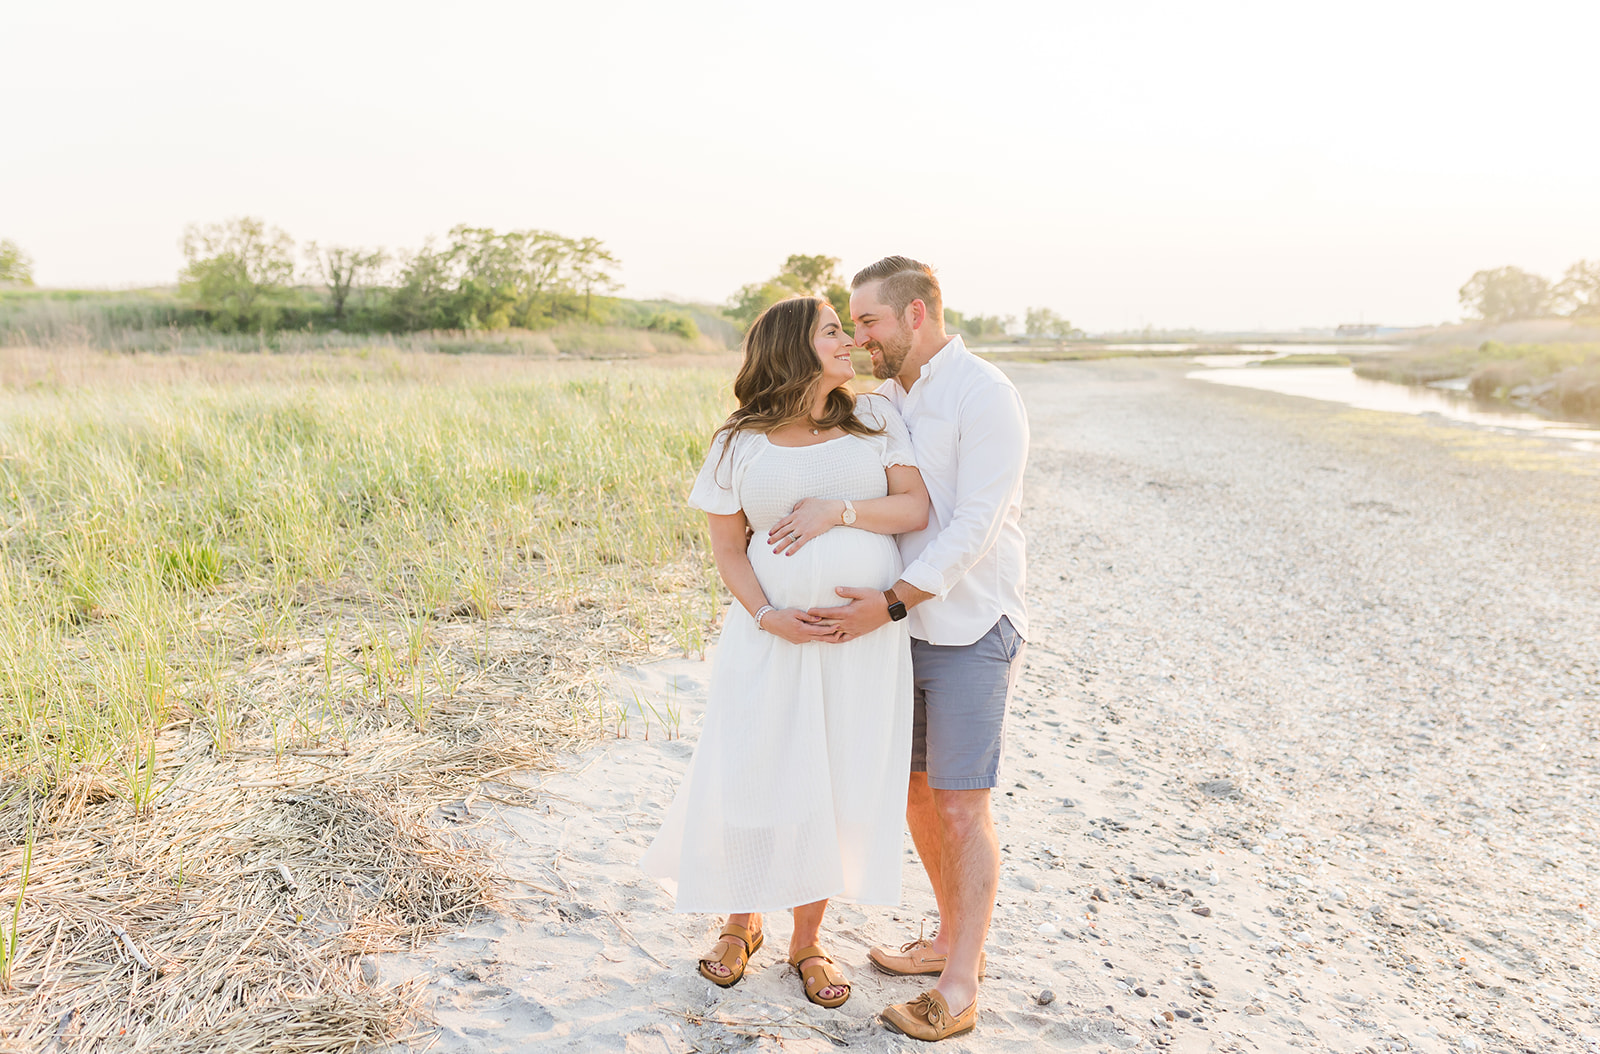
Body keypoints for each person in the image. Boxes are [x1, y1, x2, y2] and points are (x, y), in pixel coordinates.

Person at [640, 295, 931, 1010]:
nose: (849, 341)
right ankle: (740, 924)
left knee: (830, 775)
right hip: (769, 639)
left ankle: (808, 939)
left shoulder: (875, 420)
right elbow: (726, 549)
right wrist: (770, 615)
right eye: (833, 331)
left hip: (859, 642)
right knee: (754, 767)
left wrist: (840, 510)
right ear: (793, 347)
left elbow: (915, 510)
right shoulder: (738, 440)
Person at [809, 257, 1029, 1041]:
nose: (859, 335)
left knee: (963, 805)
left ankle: (962, 985)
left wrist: (895, 601)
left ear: (915, 315)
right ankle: (942, 940)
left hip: (968, 626)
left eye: (867, 321)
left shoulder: (985, 395)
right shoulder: (889, 401)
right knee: (911, 791)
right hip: (898, 635)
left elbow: (977, 522)